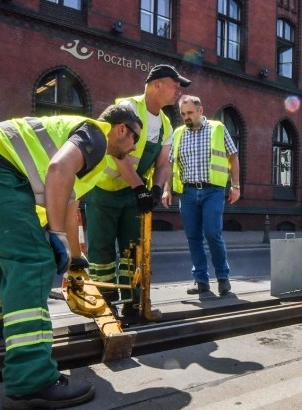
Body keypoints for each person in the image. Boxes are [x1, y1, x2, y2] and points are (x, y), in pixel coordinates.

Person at [0, 104, 143, 410]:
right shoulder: (96, 134)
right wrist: (52, 234)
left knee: (4, 258)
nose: (133, 148)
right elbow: (57, 170)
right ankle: (30, 381)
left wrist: (76, 257)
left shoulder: (86, 152)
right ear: (121, 129)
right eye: (135, 139)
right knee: (33, 261)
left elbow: (68, 204)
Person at [85, 65, 190, 325]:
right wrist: (140, 188)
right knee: (101, 250)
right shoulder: (128, 108)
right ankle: (104, 306)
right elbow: (118, 153)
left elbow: (163, 162)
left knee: (134, 250)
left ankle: (134, 304)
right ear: (156, 84)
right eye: (174, 84)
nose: (179, 91)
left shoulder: (165, 123)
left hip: (133, 195)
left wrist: (155, 188)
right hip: (104, 190)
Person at [163, 95, 241, 296]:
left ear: (200, 110)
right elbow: (171, 164)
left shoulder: (217, 129)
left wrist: (236, 186)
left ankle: (223, 278)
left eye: (189, 113)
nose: (186, 117)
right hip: (188, 192)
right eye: (182, 114)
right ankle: (201, 280)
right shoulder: (179, 133)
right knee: (193, 237)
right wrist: (166, 189)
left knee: (212, 233)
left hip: (213, 191)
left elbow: (233, 157)